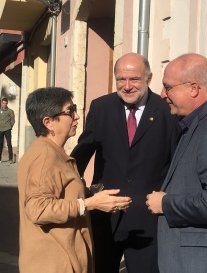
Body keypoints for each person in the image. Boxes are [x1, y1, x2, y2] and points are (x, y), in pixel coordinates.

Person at [71, 53, 180, 272]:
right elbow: (82, 153)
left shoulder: (168, 111)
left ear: (148, 79)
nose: (127, 86)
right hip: (105, 218)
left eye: (134, 79)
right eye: (121, 79)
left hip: (148, 222)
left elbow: (177, 163)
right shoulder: (101, 107)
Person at [146, 53, 207, 273]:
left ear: (193, 88)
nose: (162, 94)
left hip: (203, 264)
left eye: (167, 87)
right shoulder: (195, 124)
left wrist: (166, 204)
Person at [18, 87, 131, 273]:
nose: (77, 116)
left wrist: (92, 195)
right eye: (70, 111)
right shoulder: (45, 157)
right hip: (55, 261)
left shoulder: (52, 152)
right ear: (49, 122)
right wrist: (88, 204)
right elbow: (37, 209)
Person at [0, 97, 15, 164]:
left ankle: (10, 158)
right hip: (0, 129)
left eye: (5, 103)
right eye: (3, 103)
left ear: (7, 103)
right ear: (1, 103)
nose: (4, 104)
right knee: (0, 144)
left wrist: (10, 126)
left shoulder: (10, 111)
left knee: (9, 144)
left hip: (7, 129)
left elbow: (13, 120)